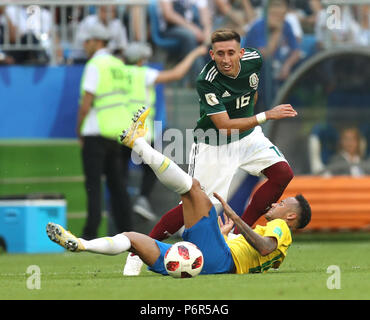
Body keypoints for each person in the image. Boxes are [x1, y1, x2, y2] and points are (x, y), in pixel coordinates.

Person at [46, 107, 311, 276]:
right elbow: (262, 258)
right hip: (213, 255)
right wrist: (225, 235)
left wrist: (235, 216)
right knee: (133, 238)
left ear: (290, 218)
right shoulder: (275, 240)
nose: (277, 204)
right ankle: (81, 244)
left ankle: (138, 143)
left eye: (284, 203)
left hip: (222, 260)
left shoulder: (281, 230)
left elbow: (265, 249)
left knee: (193, 191)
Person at [124, 28, 298, 275]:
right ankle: (137, 252)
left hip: (249, 138)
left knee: (282, 174)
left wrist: (253, 114)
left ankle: (239, 231)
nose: (225, 59)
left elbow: (253, 92)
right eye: (219, 54)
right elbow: (224, 127)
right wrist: (265, 116)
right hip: (215, 144)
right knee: (197, 206)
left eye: (230, 53)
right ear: (211, 54)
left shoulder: (254, 59)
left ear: (241, 52)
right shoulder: (207, 80)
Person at [120, 42, 208, 221]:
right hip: (141, 132)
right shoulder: (142, 73)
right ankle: (142, 200)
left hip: (120, 131)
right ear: (138, 61)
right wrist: (195, 53)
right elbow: (176, 74)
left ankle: (125, 211)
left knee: (120, 175)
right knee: (152, 166)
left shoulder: (119, 75)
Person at [77, 23, 132, 240]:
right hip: (115, 134)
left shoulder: (95, 65)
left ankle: (90, 233)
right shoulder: (118, 65)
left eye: (87, 41)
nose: (85, 45)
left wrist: (78, 129)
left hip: (94, 132)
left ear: (97, 42)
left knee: (93, 184)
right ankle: (129, 232)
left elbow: (87, 102)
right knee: (118, 186)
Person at [242, 0, 301, 104]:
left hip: (278, 67)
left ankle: (297, 107)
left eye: (280, 7)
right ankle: (270, 110)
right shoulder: (259, 27)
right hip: (253, 72)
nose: (276, 11)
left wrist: (287, 65)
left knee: (299, 64)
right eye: (273, 7)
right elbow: (265, 55)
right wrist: (277, 32)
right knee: (266, 67)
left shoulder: (286, 25)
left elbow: (296, 51)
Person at [158, 0, 212, 84]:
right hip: (172, 29)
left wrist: (207, 30)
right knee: (190, 36)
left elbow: (205, 15)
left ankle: (215, 78)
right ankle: (199, 81)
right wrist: (193, 29)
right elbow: (168, 14)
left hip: (196, 29)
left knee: (216, 37)